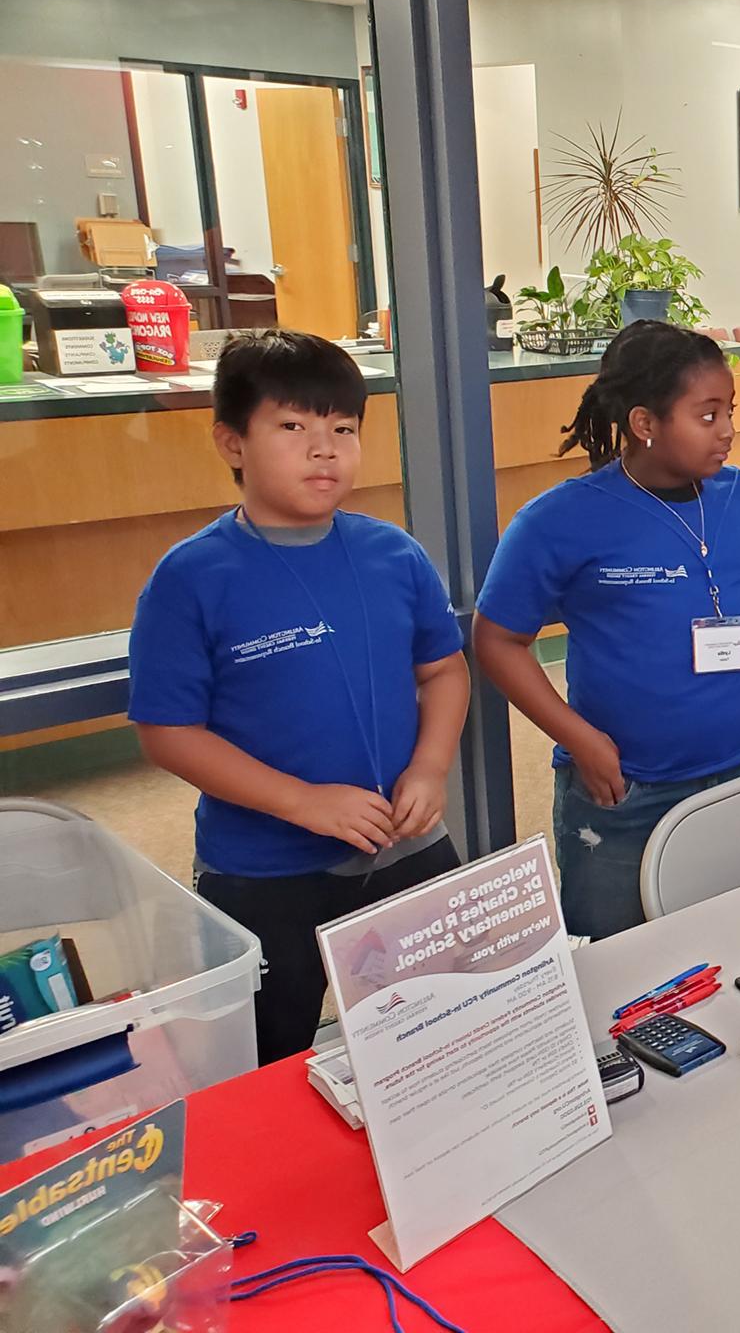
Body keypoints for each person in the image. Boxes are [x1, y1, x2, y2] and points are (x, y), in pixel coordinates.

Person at [129, 330, 471, 1064]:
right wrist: (303, 802)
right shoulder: (192, 576)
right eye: (293, 427)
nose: (325, 450)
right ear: (231, 442)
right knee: (268, 1054)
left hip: (406, 845)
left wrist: (432, 768)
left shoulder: (393, 553)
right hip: (264, 870)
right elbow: (168, 732)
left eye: (342, 429)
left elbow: (444, 671)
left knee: (445, 1030)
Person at [474, 322, 740, 940]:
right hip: (624, 789)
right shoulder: (562, 518)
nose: (728, 430)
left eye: (728, 411)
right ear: (644, 423)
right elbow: (497, 639)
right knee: (615, 964)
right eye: (706, 415)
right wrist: (581, 740)